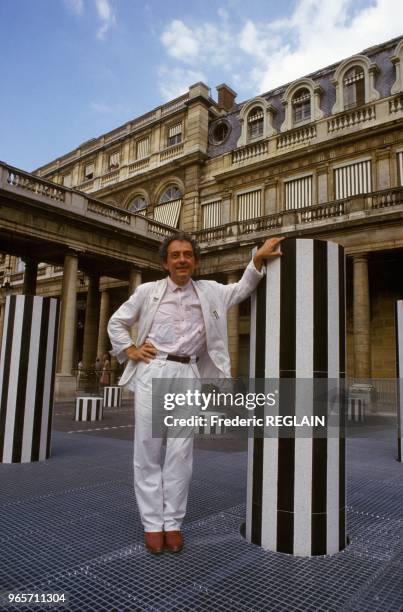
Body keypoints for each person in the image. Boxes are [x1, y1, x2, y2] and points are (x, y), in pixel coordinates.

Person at [107, 231, 283, 554]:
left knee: (180, 452)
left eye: (188, 254)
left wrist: (257, 258)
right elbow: (116, 322)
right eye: (175, 255)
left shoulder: (211, 292)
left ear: (196, 261)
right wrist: (129, 349)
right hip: (155, 369)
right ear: (165, 262)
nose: (182, 260)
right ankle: (151, 524)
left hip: (188, 372)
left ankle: (172, 522)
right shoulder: (148, 291)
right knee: (148, 449)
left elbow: (242, 288)